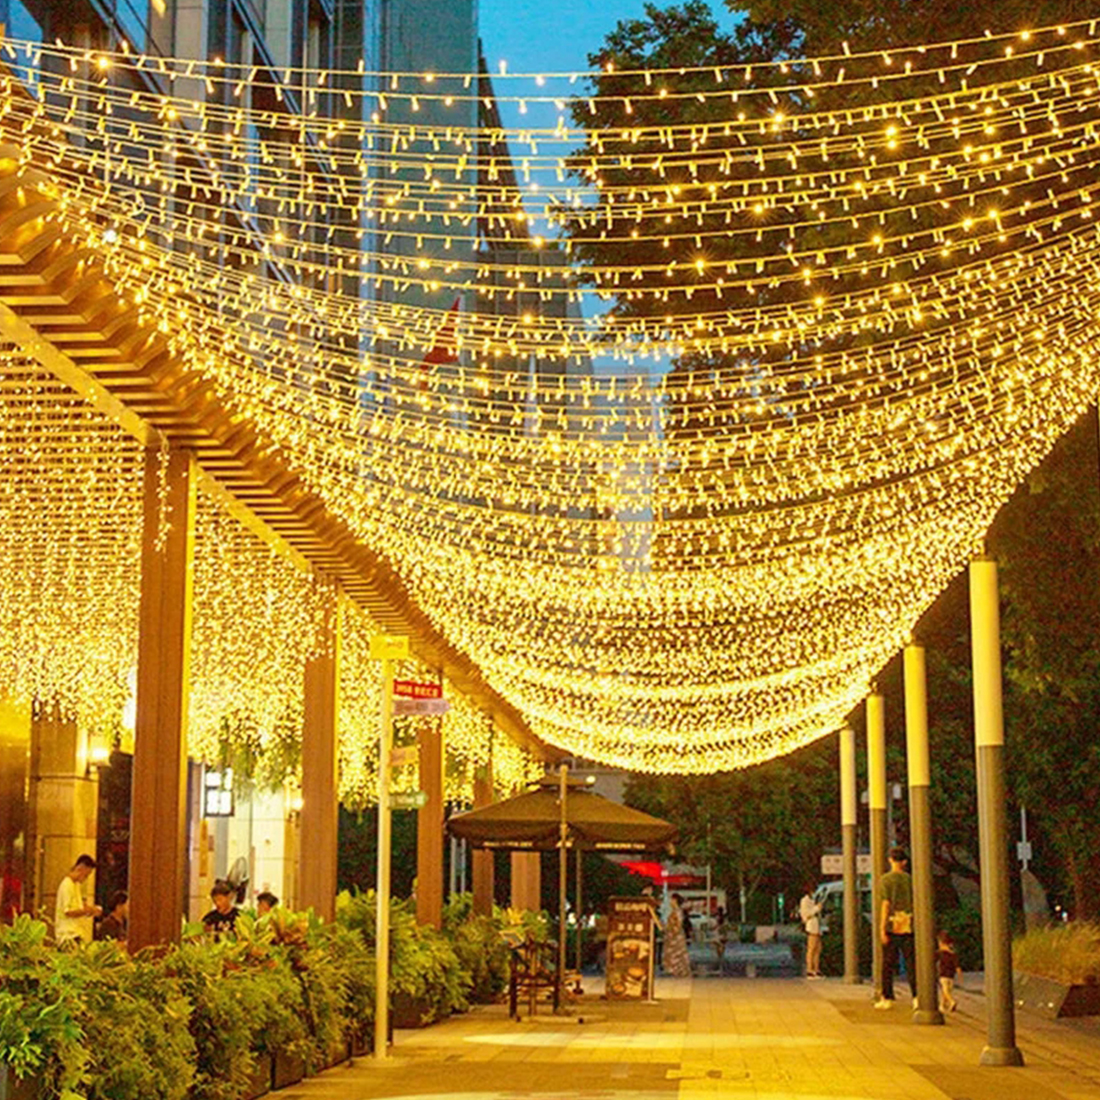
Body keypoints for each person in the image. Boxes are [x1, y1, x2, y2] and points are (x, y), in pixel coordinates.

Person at [876, 847, 916, 1009]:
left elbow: (886, 904)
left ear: (890, 860)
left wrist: (881, 927)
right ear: (905, 862)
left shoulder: (885, 880)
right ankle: (917, 996)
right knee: (911, 963)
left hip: (892, 925)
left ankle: (887, 997)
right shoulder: (910, 880)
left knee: (887, 964)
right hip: (909, 924)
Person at [54, 854, 101, 946]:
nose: (86, 878)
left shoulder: (76, 885)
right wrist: (85, 911)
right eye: (86, 874)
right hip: (67, 935)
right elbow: (68, 912)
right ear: (80, 868)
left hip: (76, 932)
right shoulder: (67, 885)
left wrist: (90, 910)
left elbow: (79, 906)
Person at [662, 892, 692, 977]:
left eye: (671, 900)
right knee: (674, 954)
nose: (670, 902)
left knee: (677, 954)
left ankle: (678, 970)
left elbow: (678, 925)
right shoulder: (675, 911)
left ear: (675, 900)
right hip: (672, 936)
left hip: (675, 937)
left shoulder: (677, 912)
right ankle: (675, 970)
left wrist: (670, 930)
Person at [799, 884, 823, 978]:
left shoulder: (812, 901)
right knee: (811, 948)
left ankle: (816, 969)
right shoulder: (805, 901)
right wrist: (816, 908)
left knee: (818, 949)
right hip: (811, 926)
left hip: (817, 926)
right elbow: (806, 914)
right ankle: (810, 969)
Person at [937, 930, 961, 1012]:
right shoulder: (953, 954)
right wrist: (960, 975)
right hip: (951, 975)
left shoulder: (940, 953)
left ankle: (951, 1001)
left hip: (943, 974)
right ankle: (943, 1005)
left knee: (945, 990)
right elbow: (957, 966)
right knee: (947, 991)